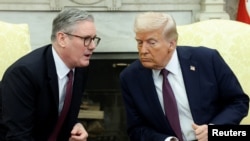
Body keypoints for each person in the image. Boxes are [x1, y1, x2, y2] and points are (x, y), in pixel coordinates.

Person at [119, 12, 249, 141]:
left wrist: (215, 130)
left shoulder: (207, 60)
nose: (143, 50)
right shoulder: (130, 77)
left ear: (171, 44)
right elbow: (136, 129)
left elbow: (238, 102)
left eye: (151, 43)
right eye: (139, 42)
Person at [0, 8, 101, 141]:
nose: (93, 46)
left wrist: (75, 124)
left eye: (94, 39)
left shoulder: (79, 68)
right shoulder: (23, 74)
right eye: (86, 39)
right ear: (62, 39)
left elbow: (58, 114)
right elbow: (18, 137)